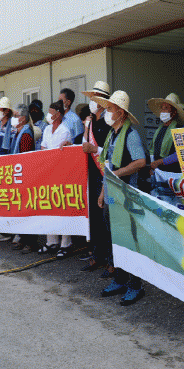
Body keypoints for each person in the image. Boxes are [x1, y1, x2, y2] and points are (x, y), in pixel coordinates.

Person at [91, 90, 148, 306]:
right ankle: (120, 279)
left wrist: (117, 174)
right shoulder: (112, 135)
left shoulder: (130, 135)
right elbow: (107, 165)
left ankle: (135, 285)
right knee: (114, 239)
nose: (107, 112)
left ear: (121, 113)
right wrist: (103, 192)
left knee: (128, 241)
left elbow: (140, 162)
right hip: (111, 195)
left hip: (126, 195)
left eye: (110, 109)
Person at [80, 81, 112, 273]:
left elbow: (111, 151)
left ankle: (110, 260)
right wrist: (86, 127)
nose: (92, 100)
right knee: (94, 217)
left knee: (105, 219)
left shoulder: (108, 121)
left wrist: (95, 149)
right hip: (91, 174)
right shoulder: (91, 121)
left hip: (104, 174)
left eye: (95, 97)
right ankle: (97, 255)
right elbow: (84, 144)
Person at [36, 101, 73, 256]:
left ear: (58, 114)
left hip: (61, 173)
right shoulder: (46, 129)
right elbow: (43, 147)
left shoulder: (65, 130)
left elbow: (62, 152)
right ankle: (51, 241)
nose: (48, 115)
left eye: (51, 112)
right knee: (49, 206)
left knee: (63, 206)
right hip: (48, 172)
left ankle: (66, 243)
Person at [9, 104, 37, 253]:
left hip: (24, 175)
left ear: (23, 118)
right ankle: (23, 238)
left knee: (27, 209)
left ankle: (30, 242)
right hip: (17, 175)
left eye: (16, 116)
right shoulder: (18, 132)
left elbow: (25, 158)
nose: (13, 118)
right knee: (20, 209)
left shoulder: (26, 134)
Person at [147, 93, 184, 173]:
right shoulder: (160, 129)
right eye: (162, 108)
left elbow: (181, 153)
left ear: (174, 112)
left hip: (173, 174)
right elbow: (154, 150)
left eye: (166, 108)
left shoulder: (180, 129)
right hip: (159, 173)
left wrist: (161, 161)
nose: (162, 111)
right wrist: (152, 166)